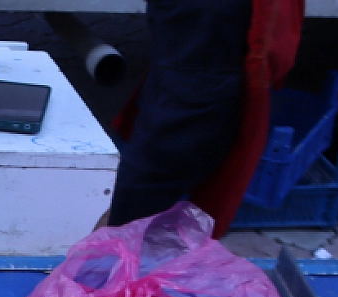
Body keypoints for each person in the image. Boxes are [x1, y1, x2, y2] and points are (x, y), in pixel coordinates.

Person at [109, 0, 304, 235]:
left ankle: (113, 241)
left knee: (144, 183)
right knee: (145, 181)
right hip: (195, 71)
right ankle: (112, 242)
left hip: (197, 70)